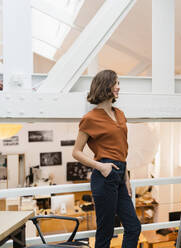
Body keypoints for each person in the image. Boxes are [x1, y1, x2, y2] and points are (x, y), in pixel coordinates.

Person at [72, 70, 141, 248]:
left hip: (120, 174)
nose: (118, 87)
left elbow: (122, 149)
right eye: (115, 83)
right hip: (104, 175)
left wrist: (126, 177)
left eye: (118, 83)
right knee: (105, 232)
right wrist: (100, 167)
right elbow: (76, 152)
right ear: (105, 86)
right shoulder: (90, 119)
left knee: (133, 227)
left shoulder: (120, 114)